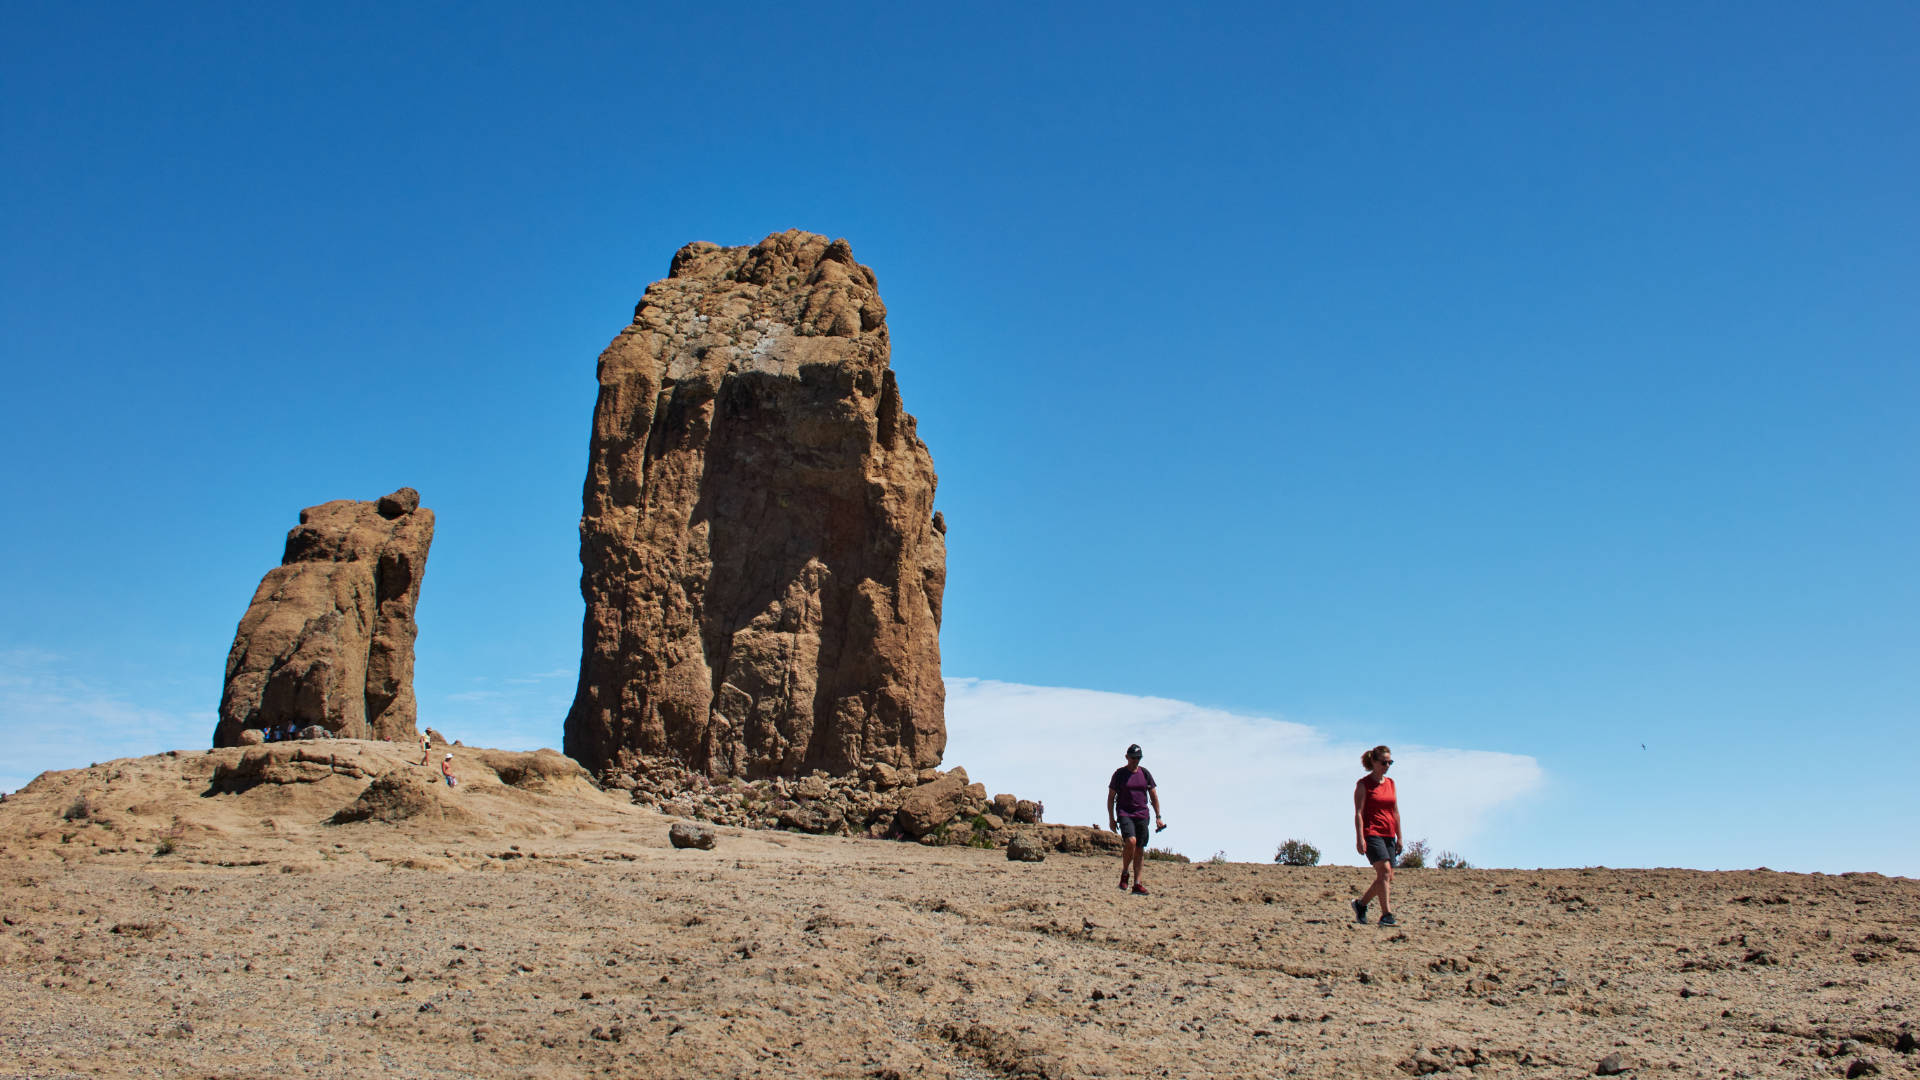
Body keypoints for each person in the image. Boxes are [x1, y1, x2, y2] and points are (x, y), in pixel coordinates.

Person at [1352, 745, 1401, 926]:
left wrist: (1400, 837)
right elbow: (1358, 812)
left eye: (1390, 762)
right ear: (1373, 762)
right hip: (1372, 832)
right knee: (1384, 871)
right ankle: (1386, 915)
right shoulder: (1363, 785)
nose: (1387, 765)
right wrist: (1359, 838)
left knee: (1387, 876)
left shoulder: (1391, 783)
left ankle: (1361, 904)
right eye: (1383, 762)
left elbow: (1395, 811)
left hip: (1389, 833)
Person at [1106, 743, 1164, 895]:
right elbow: (1111, 797)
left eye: (1138, 758)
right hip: (1125, 813)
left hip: (1142, 814)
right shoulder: (1119, 774)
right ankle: (1125, 873)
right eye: (1133, 758)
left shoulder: (1145, 774)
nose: (1135, 761)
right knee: (1131, 841)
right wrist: (1111, 818)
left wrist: (1158, 817)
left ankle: (1137, 883)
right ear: (1127, 757)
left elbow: (1153, 796)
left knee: (1140, 848)